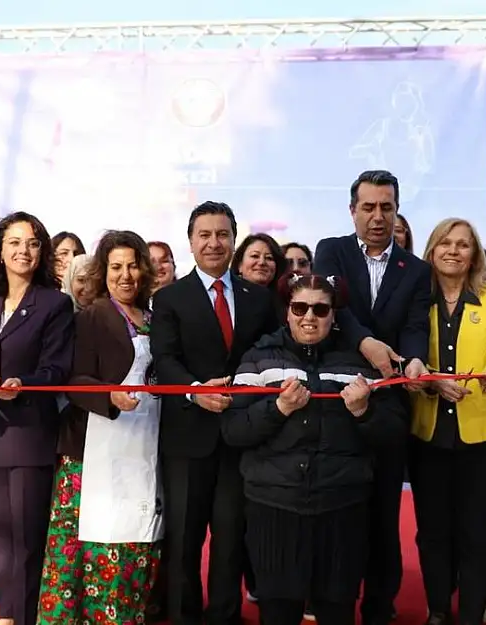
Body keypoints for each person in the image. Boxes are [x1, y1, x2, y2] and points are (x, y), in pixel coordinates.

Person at [222, 272, 402, 625]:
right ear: (287, 311)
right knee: (277, 610)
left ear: (334, 315)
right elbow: (234, 431)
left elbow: (395, 432)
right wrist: (278, 408)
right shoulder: (258, 358)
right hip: (274, 505)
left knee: (337, 609)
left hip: (343, 506)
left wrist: (364, 412)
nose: (309, 317)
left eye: (320, 309)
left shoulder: (362, 363)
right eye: (300, 307)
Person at [150, 200, 279, 625]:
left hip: (241, 437)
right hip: (187, 437)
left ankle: (224, 615)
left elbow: (270, 358)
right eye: (204, 235)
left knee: (230, 539)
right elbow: (165, 359)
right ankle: (184, 616)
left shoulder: (258, 299)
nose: (213, 243)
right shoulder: (169, 298)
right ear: (190, 242)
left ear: (234, 240)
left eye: (222, 234)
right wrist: (194, 392)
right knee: (183, 540)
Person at [312, 170, 431, 625]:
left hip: (389, 403)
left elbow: (415, 325)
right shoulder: (332, 250)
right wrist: (365, 343)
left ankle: (380, 605)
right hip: (337, 400)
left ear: (397, 210)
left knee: (384, 513)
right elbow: (332, 308)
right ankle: (333, 602)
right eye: (369, 207)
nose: (378, 216)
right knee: (338, 510)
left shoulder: (415, 270)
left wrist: (415, 360)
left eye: (386, 207)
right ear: (353, 211)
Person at [38, 230, 164, 623]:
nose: (125, 275)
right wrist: (110, 396)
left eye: (132, 266)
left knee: (134, 540)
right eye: (115, 267)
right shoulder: (92, 316)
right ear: (102, 272)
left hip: (143, 448)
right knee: (82, 553)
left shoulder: (155, 319)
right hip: (90, 454)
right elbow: (74, 381)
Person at [405, 218, 486, 625]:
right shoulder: (417, 298)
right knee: (432, 530)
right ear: (431, 251)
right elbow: (408, 353)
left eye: (463, 244)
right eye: (445, 243)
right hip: (428, 433)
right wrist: (430, 382)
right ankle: (438, 609)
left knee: (478, 530)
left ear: (475, 255)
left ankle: (472, 611)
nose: (453, 250)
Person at [0, 211, 75, 625]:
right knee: (0, 539)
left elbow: (56, 369)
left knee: (27, 539)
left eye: (32, 243)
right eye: (14, 242)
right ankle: (8, 614)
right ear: (0, 250)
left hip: (30, 435)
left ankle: (19, 616)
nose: (23, 251)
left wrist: (22, 385)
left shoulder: (54, 303)